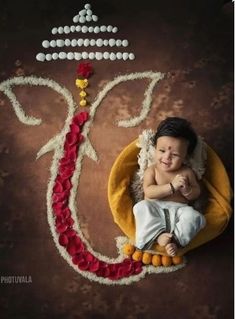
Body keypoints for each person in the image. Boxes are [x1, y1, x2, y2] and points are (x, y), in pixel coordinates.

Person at [133, 117, 206, 256]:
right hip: (155, 209)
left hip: (180, 211)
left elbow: (197, 192)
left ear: (185, 157)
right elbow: (148, 191)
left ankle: (176, 240)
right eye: (161, 150)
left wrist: (187, 190)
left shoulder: (186, 172)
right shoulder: (152, 170)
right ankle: (158, 235)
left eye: (175, 154)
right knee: (140, 208)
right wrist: (171, 186)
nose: (167, 157)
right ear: (155, 148)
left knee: (194, 216)